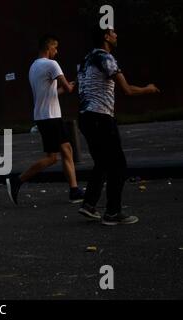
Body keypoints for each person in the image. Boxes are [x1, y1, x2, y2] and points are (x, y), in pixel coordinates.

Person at [77, 26, 160, 225]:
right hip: (101, 117)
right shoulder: (106, 58)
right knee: (118, 165)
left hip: (85, 117)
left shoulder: (86, 59)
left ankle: (89, 204)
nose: (116, 35)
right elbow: (127, 90)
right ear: (106, 37)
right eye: (113, 33)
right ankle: (113, 213)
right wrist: (148, 89)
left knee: (102, 162)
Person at [6, 35, 85, 205]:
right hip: (50, 117)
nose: (57, 52)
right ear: (48, 48)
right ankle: (17, 180)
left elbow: (52, 94)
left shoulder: (33, 67)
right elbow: (67, 88)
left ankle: (74, 190)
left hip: (45, 116)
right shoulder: (52, 64)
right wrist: (75, 83)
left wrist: (66, 88)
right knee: (52, 157)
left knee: (67, 149)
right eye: (55, 48)